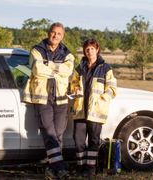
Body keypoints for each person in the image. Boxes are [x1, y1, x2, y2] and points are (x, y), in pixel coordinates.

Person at [23, 22, 74, 179]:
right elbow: (37, 70)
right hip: (43, 98)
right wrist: (57, 69)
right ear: (48, 32)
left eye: (59, 34)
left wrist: (49, 66)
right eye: (53, 32)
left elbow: (68, 70)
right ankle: (60, 168)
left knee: (58, 134)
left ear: (62, 36)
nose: (55, 36)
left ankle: (53, 169)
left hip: (60, 99)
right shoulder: (36, 50)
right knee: (50, 133)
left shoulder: (67, 53)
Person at [70, 39, 117, 177]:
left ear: (97, 50)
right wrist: (75, 89)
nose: (89, 51)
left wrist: (103, 98)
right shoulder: (79, 68)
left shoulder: (105, 68)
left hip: (96, 111)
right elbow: (73, 84)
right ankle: (80, 166)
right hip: (80, 110)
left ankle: (90, 168)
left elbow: (112, 88)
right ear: (84, 51)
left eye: (92, 48)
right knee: (78, 140)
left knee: (93, 141)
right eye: (87, 49)